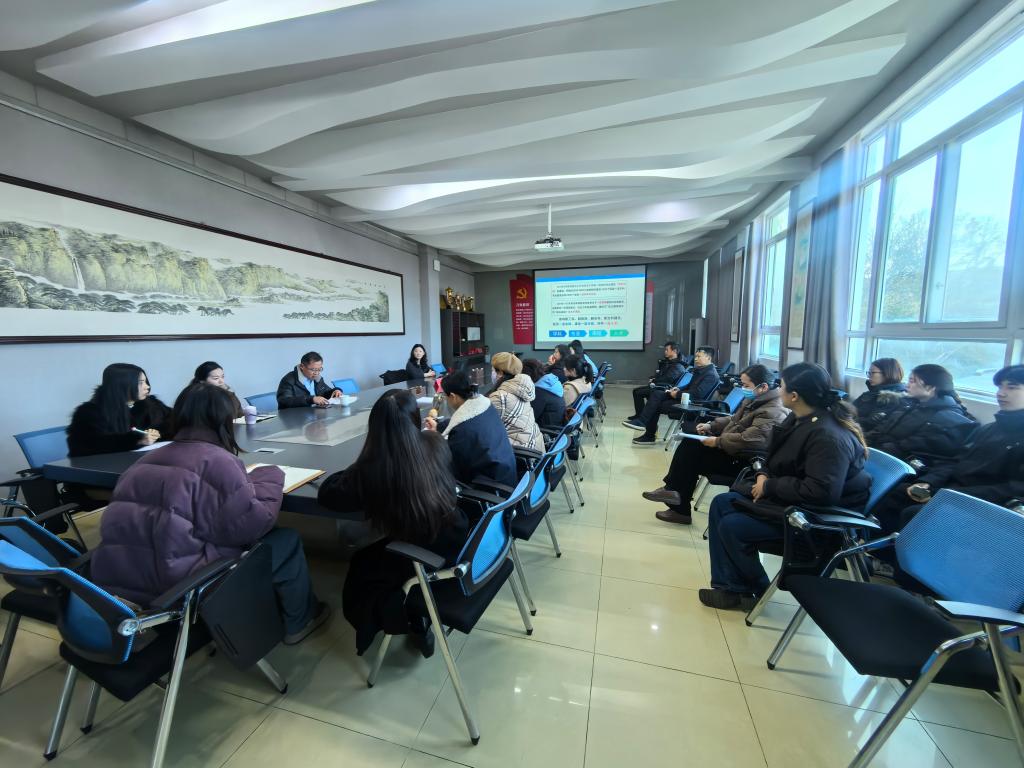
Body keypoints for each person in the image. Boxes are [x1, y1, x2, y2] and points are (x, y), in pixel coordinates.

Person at [90, 383, 330, 645]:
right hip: (177, 587)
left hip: (119, 583)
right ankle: (301, 621)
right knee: (285, 540)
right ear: (224, 421)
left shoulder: (143, 462)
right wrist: (269, 477)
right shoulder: (218, 461)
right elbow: (251, 527)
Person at [698, 363, 871, 610]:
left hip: (813, 517)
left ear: (795, 396)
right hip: (791, 499)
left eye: (782, 386)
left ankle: (752, 587)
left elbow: (821, 492)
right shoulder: (799, 419)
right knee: (722, 503)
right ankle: (731, 586)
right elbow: (775, 456)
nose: (778, 391)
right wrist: (763, 475)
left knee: (733, 525)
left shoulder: (828, 436)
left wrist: (770, 486)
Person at [318, 389, 466, 656]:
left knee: (362, 563)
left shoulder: (375, 466)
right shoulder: (435, 442)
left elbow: (329, 494)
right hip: (456, 535)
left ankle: (407, 618)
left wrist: (362, 461)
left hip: (425, 554)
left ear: (374, 426)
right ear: (415, 417)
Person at [873, 365, 1024, 533]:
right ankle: (870, 546)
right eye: (1000, 387)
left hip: (984, 503)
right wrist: (929, 482)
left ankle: (897, 548)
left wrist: (952, 493)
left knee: (913, 514)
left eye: (1012, 387)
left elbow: (1016, 487)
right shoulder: (989, 429)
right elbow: (955, 461)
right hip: (951, 490)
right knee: (894, 494)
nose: (1001, 393)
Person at [643, 365, 789, 525]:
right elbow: (734, 419)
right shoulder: (755, 400)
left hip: (746, 461)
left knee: (692, 453)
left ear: (763, 387)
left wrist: (718, 441)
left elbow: (752, 440)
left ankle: (677, 502)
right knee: (691, 444)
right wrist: (711, 425)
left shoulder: (774, 411)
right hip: (734, 450)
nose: (743, 389)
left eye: (746, 385)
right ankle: (674, 495)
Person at [862, 363, 975, 465]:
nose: (907, 385)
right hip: (878, 451)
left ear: (930, 388)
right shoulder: (910, 404)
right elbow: (881, 429)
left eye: (912, 381)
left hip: (897, 463)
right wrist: (861, 442)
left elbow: (908, 448)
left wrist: (867, 451)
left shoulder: (947, 418)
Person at [425, 370, 517, 488]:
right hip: (506, 474)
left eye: (445, 396)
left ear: (452, 396)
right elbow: (465, 419)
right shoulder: (485, 406)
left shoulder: (461, 432)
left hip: (491, 488)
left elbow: (453, 468)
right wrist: (438, 426)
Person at [67, 363, 170, 457]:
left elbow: (173, 422)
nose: (147, 387)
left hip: (145, 460)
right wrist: (136, 441)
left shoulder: (152, 405)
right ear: (122, 386)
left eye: (145, 382)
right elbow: (86, 448)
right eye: (140, 383)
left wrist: (157, 433)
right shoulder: (89, 413)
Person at [625, 346, 720, 446]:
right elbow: (689, 386)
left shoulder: (711, 375)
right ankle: (642, 422)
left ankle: (648, 434)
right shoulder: (701, 370)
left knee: (655, 405)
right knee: (657, 393)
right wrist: (678, 389)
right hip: (684, 397)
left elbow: (697, 394)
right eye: (696, 356)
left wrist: (677, 394)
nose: (695, 359)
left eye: (699, 356)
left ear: (708, 358)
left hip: (692, 404)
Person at [488, 352, 544, 451]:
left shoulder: (500, 397)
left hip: (520, 453)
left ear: (500, 372)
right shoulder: (521, 388)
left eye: (493, 370)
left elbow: (483, 427)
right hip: (534, 447)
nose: (491, 373)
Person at [627, 341, 686, 427]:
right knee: (636, 391)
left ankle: (642, 418)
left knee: (641, 393)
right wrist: (654, 378)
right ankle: (639, 415)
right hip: (660, 385)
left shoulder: (678, 366)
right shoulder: (669, 362)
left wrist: (654, 381)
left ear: (674, 351)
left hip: (664, 388)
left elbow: (667, 379)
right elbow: (661, 374)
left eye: (667, 350)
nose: (665, 352)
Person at [851, 358, 906, 429]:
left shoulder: (894, 397)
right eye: (869, 373)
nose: (868, 376)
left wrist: (846, 420)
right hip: (852, 426)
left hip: (862, 431)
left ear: (887, 373)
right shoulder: (871, 392)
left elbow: (871, 423)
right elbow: (850, 409)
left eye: (872, 373)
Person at [276, 351, 342, 408]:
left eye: (319, 369)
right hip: (294, 416)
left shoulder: (317, 379)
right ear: (302, 366)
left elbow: (326, 392)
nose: (316, 373)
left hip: (315, 413)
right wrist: (311, 399)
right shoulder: (289, 380)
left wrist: (335, 391)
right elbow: (284, 401)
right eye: (313, 369)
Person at [522, 358, 566, 430]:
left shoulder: (539, 391)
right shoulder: (551, 382)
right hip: (557, 425)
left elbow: (529, 418)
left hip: (545, 431)